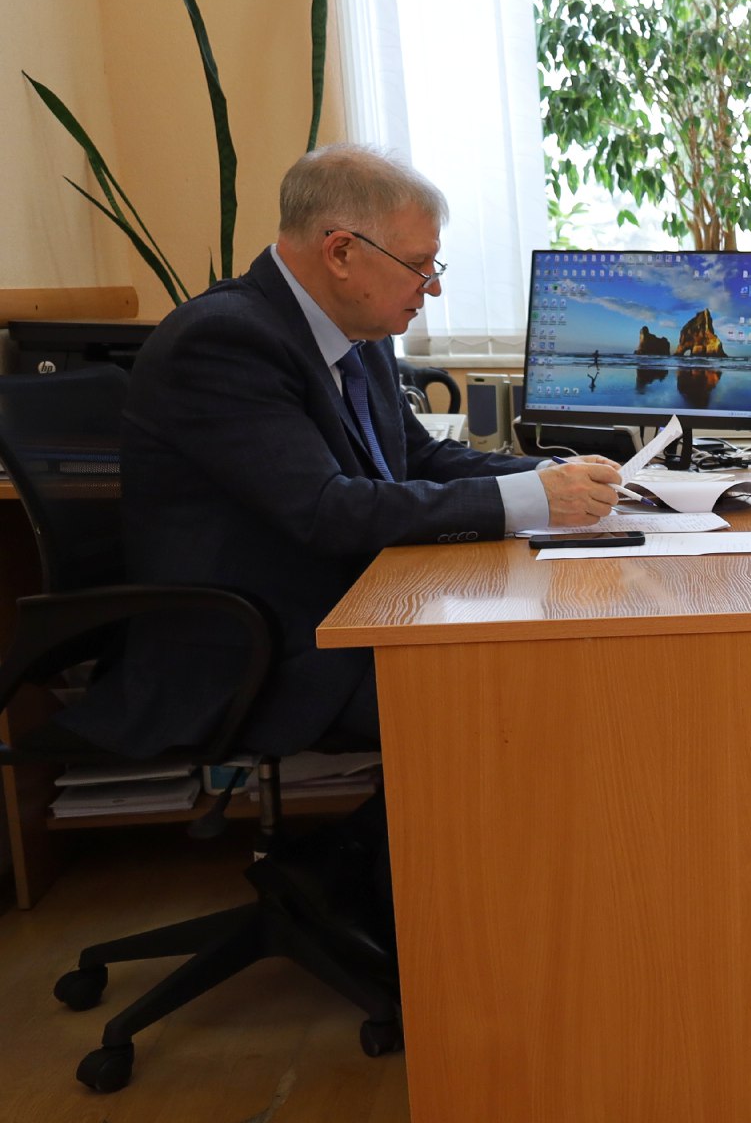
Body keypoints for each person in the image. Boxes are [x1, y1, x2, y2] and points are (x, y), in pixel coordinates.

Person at [62, 143, 622, 763]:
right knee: (518, 697)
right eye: (419, 265)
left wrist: (552, 475)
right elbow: (326, 510)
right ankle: (386, 832)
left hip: (353, 610)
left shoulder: (358, 330)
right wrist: (531, 499)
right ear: (341, 253)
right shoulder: (223, 340)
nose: (433, 287)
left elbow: (417, 458)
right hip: (263, 653)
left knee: (543, 662)